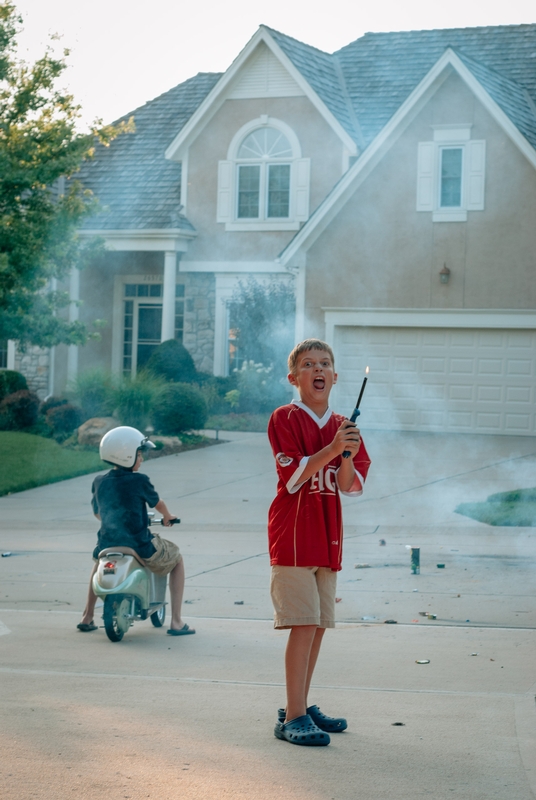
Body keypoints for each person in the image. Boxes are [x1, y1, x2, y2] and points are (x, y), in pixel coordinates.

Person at [268, 339, 371, 746]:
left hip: (328, 537)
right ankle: (291, 717)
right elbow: (292, 478)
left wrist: (345, 453)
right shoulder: (284, 418)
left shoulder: (345, 425)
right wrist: (331, 448)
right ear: (295, 378)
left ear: (335, 376)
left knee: (319, 626)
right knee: (304, 622)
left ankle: (302, 705)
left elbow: (348, 487)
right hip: (293, 535)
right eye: (308, 364)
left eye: (325, 363)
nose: (318, 369)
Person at [77, 426, 195, 637]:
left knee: (98, 564)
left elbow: (98, 514)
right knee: (176, 558)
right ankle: (176, 622)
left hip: (107, 544)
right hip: (139, 546)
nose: (141, 459)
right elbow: (158, 503)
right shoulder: (140, 480)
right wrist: (167, 517)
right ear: (127, 455)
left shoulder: (99, 482)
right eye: (139, 454)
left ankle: (87, 617)